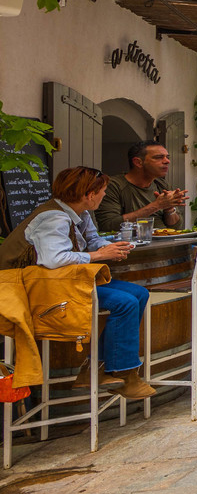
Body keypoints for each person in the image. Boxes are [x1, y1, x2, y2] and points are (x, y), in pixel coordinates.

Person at [5, 167, 155, 398]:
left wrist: (111, 246)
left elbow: (91, 240)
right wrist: (99, 256)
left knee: (139, 294)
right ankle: (125, 374)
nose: (105, 195)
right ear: (89, 194)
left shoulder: (80, 213)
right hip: (30, 289)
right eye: (103, 191)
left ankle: (96, 368)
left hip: (60, 282)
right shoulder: (53, 218)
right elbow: (54, 259)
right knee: (124, 302)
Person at [95, 141, 188, 233]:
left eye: (167, 157)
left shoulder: (161, 184)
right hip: (134, 246)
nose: (167, 161)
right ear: (138, 162)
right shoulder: (114, 186)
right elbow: (108, 225)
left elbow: (176, 227)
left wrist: (169, 208)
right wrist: (157, 205)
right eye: (158, 157)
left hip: (166, 243)